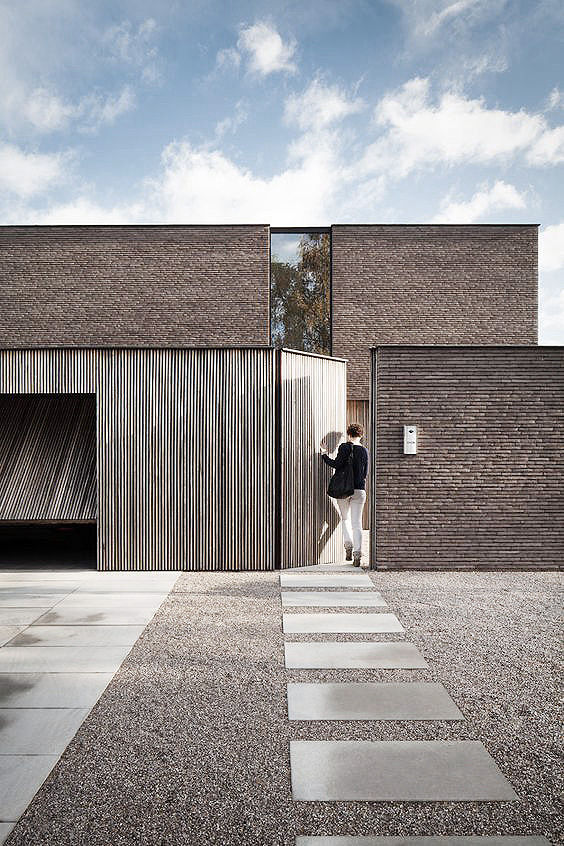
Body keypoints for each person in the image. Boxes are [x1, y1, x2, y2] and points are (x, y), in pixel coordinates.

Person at [320, 423, 369, 567]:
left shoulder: (344, 447)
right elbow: (365, 473)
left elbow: (336, 464)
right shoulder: (364, 451)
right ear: (361, 435)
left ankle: (348, 546)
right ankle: (357, 554)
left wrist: (324, 454)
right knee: (357, 523)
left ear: (349, 434)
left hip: (344, 490)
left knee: (345, 519)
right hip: (359, 490)